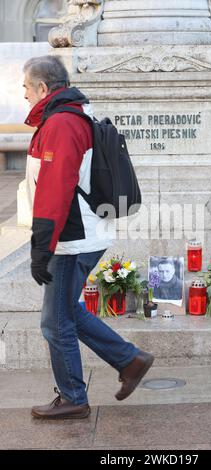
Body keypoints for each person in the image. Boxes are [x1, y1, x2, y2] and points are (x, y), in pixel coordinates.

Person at [23, 55, 154, 420]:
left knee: (55, 321)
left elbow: (55, 187)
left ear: (43, 88)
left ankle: (74, 398)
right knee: (66, 312)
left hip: (72, 239)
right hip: (78, 234)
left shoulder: (62, 123)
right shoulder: (65, 117)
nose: (25, 97)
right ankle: (130, 360)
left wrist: (41, 247)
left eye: (27, 89)